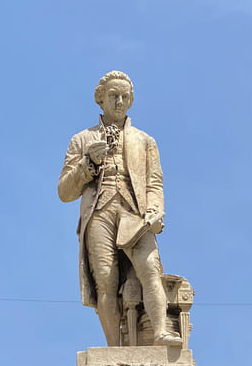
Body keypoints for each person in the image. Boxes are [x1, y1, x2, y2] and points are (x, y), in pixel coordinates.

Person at [58, 70, 182, 348]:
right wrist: (87, 165)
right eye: (113, 96)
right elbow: (65, 191)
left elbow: (154, 182)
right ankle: (114, 348)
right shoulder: (81, 140)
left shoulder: (145, 141)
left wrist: (156, 210)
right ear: (100, 100)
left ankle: (161, 331)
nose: (119, 102)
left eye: (125, 97)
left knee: (150, 269)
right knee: (105, 281)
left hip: (135, 214)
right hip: (99, 213)